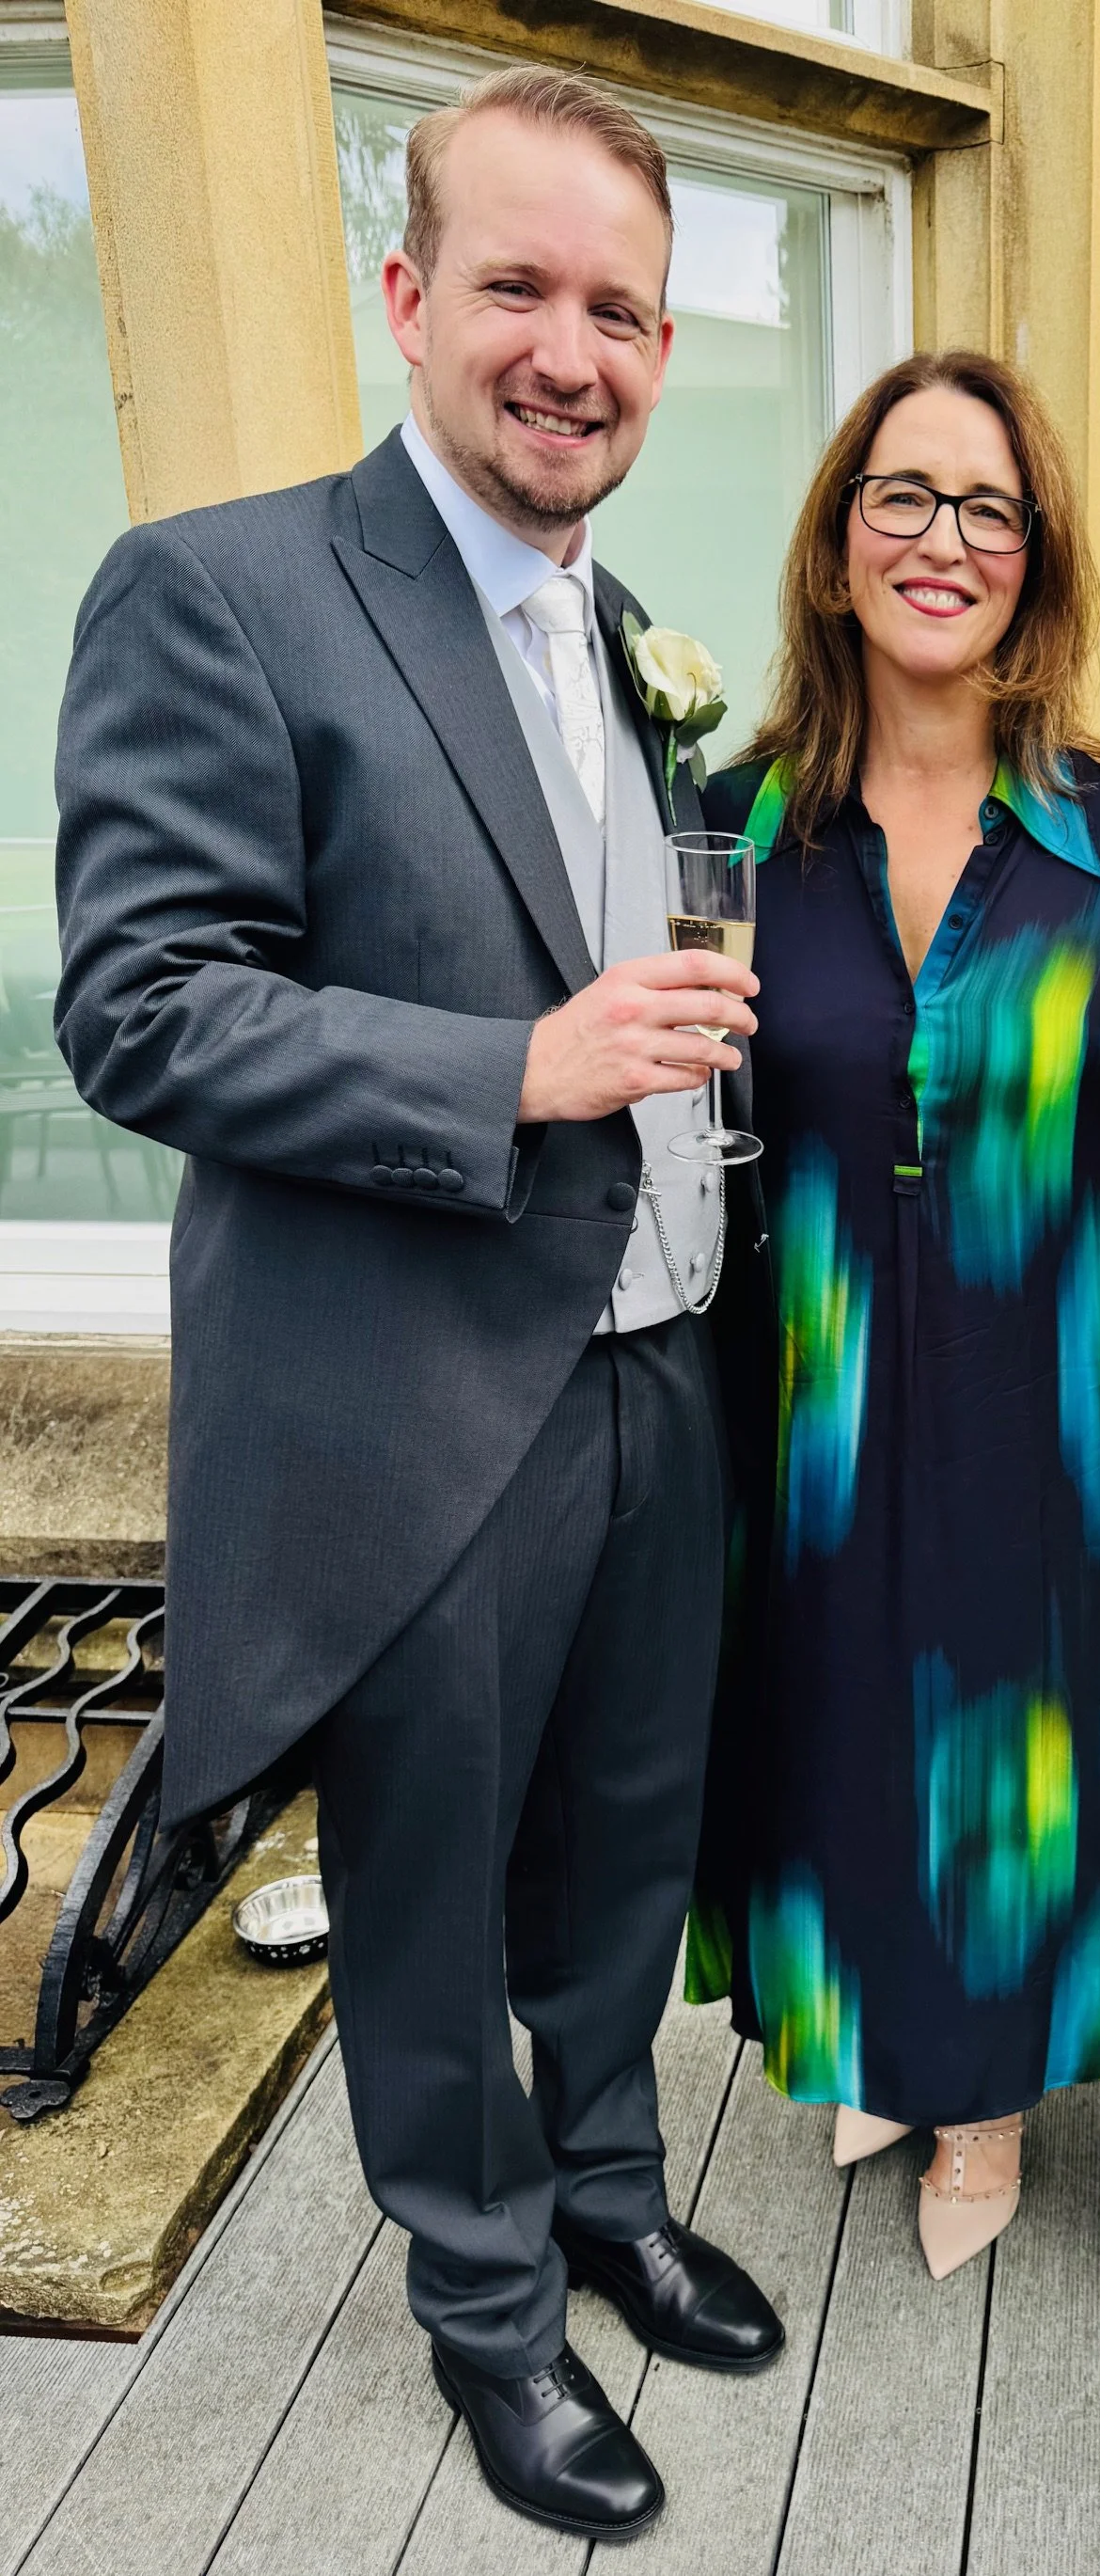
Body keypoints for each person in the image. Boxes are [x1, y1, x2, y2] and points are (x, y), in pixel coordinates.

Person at [55, 69, 780, 2545]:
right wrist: (519, 1066)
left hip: (663, 1359)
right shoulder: (221, 590)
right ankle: (486, 2303)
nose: (573, 351)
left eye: (623, 310)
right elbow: (141, 1005)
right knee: (434, 1883)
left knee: (626, 1843)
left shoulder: (634, 638)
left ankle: (609, 2195)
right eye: (519, 287)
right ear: (406, 294)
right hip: (427, 1400)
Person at [686, 351, 1100, 2276]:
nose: (943, 539)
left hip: (1036, 1400)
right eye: (901, 496)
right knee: (832, 1711)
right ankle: (872, 2041)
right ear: (839, 545)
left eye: (988, 507)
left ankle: (980, 2097)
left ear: (1035, 559)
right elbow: (675, 1107)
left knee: (1007, 1742)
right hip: (809, 1397)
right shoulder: (730, 825)